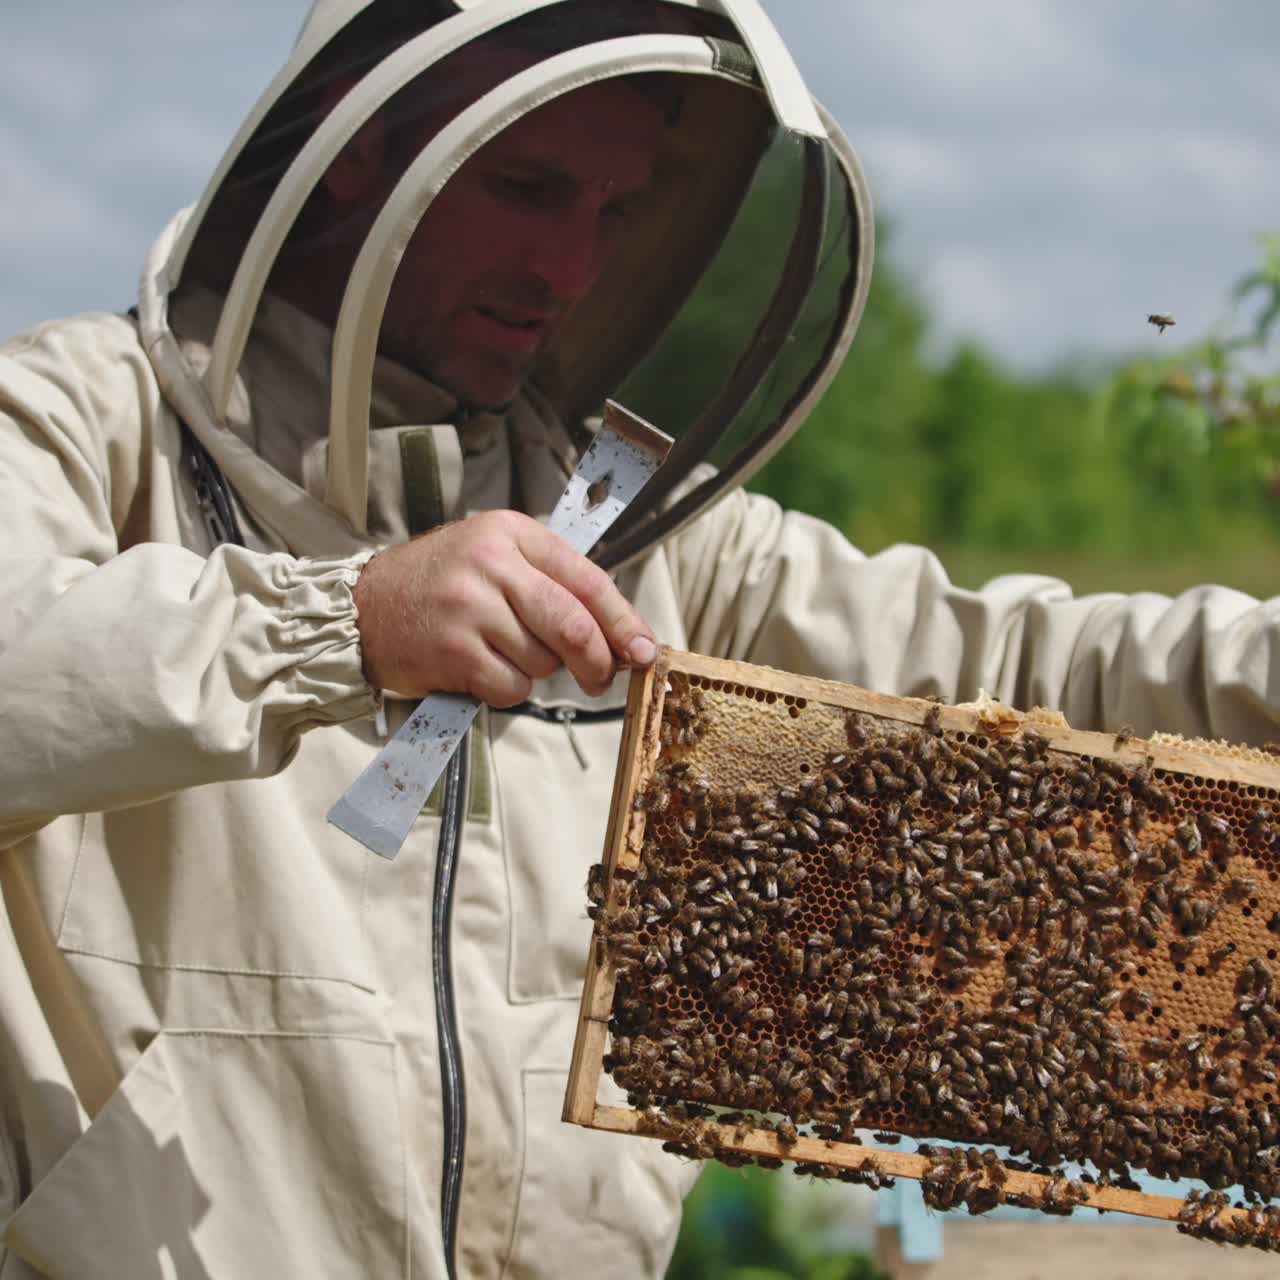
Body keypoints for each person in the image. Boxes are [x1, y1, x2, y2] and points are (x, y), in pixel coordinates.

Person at [0, 2, 1276, 1277]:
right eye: (527, 185)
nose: (569, 265)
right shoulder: (89, 421)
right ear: (355, 149)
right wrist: (343, 619)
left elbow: (1006, 661)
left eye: (614, 211)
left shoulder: (614, 518)